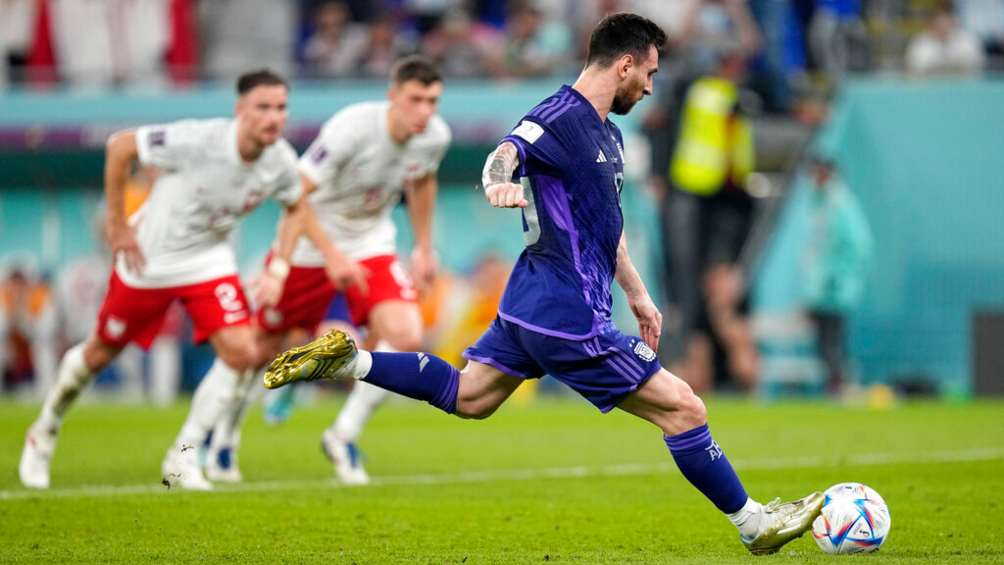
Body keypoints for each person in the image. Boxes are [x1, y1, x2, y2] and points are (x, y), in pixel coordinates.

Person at [263, 13, 822, 555]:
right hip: (566, 312)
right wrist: (498, 183)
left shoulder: (609, 135)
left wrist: (636, 291)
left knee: (470, 397)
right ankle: (754, 524)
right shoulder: (560, 114)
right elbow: (504, 154)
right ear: (624, 65)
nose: (652, 88)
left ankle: (350, 361)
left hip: (531, 303)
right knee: (684, 408)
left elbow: (608, 225)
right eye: (649, 74)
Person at [18, 69, 320, 491]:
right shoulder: (199, 139)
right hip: (151, 258)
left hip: (208, 261)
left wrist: (277, 270)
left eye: (281, 107)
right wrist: (118, 224)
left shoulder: (282, 161)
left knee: (242, 351)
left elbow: (296, 208)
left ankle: (183, 456)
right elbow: (121, 146)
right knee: (99, 354)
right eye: (263, 107)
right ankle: (44, 430)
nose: (274, 117)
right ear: (240, 111)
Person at [199, 55, 451, 486]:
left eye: (433, 101)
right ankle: (224, 436)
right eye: (416, 100)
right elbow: (295, 194)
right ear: (393, 97)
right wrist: (324, 255)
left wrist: (424, 247)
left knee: (407, 334)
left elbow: (422, 180)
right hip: (309, 246)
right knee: (256, 350)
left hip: (371, 242)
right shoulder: (351, 128)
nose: (425, 111)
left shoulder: (434, 137)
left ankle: (342, 433)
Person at [801, 155, 872, 394]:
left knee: (833, 341)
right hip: (820, 289)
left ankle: (839, 386)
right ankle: (835, 386)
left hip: (835, 288)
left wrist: (837, 277)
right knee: (825, 343)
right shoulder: (819, 203)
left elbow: (859, 245)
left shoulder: (841, 204)